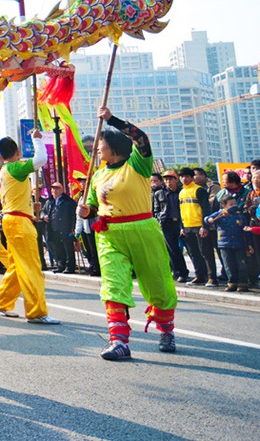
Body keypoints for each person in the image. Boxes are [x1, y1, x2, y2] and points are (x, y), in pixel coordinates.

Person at [77, 106, 178, 361]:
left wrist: (111, 119)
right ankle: (119, 341)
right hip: (110, 234)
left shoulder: (138, 164)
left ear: (114, 146)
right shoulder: (97, 175)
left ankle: (166, 330)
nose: (97, 148)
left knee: (158, 285)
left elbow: (141, 138)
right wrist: (85, 211)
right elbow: (92, 209)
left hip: (143, 230)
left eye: (101, 144)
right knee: (113, 286)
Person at [0, 131, 60, 325]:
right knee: (31, 267)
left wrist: (30, 206)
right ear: (17, 152)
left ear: (1, 156)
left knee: (16, 265)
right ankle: (36, 311)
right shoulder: (15, 167)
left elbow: (11, 197)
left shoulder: (0, 175)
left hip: (12, 219)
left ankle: (2, 300)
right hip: (19, 222)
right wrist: (37, 139)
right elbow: (41, 159)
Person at [178, 167, 215, 286]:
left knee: (206, 252)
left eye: (187, 176)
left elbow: (206, 208)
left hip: (199, 226)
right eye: (182, 176)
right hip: (187, 226)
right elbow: (181, 211)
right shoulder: (181, 192)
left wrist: (205, 226)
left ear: (192, 177)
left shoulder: (199, 190)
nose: (184, 179)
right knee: (194, 253)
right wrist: (182, 227)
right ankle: (200, 276)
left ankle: (212, 277)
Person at [205, 196, 250, 292]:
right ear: (223, 205)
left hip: (239, 243)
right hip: (224, 244)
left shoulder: (240, 215)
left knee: (241, 264)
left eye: (235, 204)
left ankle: (243, 283)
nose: (234, 206)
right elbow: (208, 219)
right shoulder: (220, 214)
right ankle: (232, 282)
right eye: (231, 205)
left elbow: (246, 230)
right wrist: (209, 220)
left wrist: (249, 244)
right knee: (228, 265)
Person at [154, 171, 189, 282]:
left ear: (176, 179)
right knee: (173, 250)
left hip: (182, 223)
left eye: (171, 179)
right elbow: (156, 210)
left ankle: (202, 273)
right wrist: (159, 218)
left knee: (191, 249)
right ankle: (180, 272)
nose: (168, 181)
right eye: (166, 179)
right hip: (167, 224)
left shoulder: (183, 192)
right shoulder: (159, 193)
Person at [45, 182, 77, 274]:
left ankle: (70, 267)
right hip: (53, 229)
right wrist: (44, 216)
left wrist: (73, 228)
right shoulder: (49, 201)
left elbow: (73, 215)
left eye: (57, 188)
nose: (55, 190)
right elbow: (43, 211)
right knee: (57, 248)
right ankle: (60, 265)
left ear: (61, 190)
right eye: (53, 189)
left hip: (65, 228)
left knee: (68, 249)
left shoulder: (68, 201)